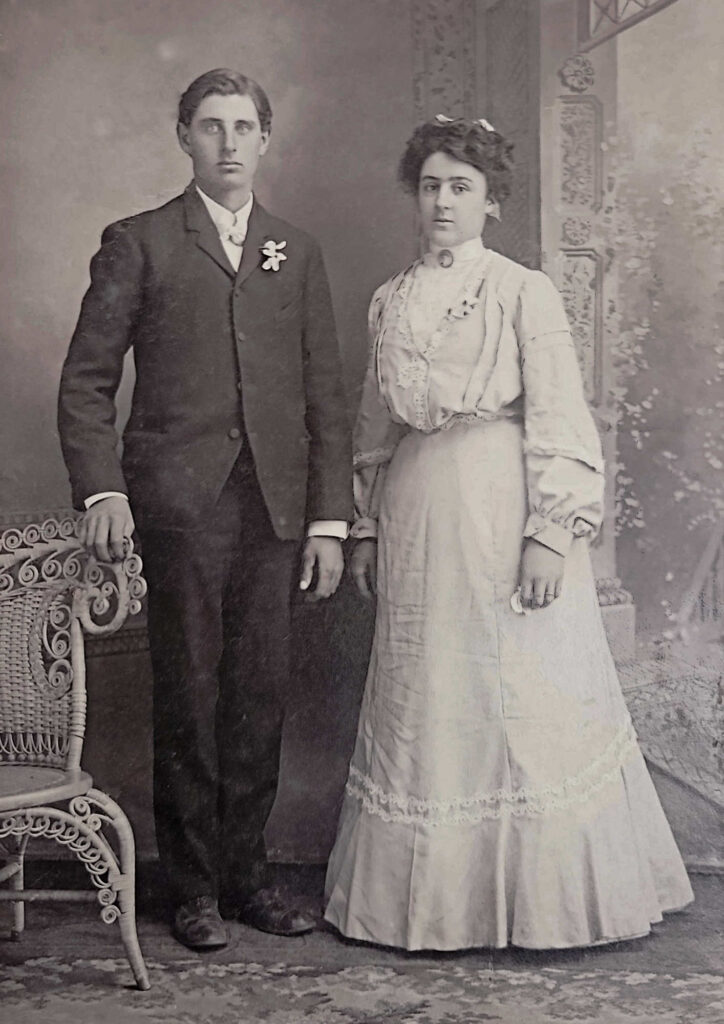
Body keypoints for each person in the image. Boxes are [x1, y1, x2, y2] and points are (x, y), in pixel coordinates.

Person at [324, 115, 693, 951]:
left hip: (503, 504)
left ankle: (537, 903)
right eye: (430, 186)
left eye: (461, 187)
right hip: (420, 513)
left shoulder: (522, 290)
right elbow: (374, 424)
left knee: (521, 691)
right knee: (431, 695)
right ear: (414, 198)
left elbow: (561, 413)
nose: (443, 201)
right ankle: (437, 906)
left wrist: (551, 531)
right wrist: (368, 528)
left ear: (492, 202)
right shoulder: (391, 298)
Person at [58, 69, 352, 950]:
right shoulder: (139, 242)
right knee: (186, 691)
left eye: (244, 127)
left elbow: (324, 397)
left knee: (259, 694)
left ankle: (247, 876)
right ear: (183, 136)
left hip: (272, 510)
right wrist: (104, 489)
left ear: (266, 138)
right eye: (211, 126)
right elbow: (86, 383)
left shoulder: (294, 252)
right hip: (180, 507)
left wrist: (329, 521)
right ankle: (189, 889)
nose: (229, 143)